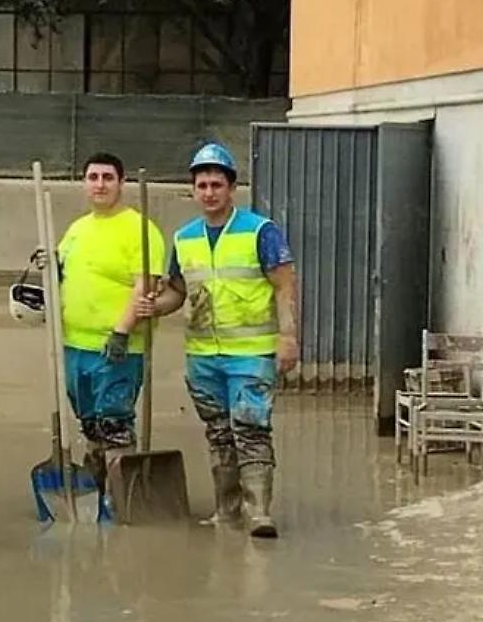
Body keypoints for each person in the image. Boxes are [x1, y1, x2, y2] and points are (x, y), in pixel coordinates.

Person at [136, 142, 298, 539]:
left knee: (251, 428)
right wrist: (155, 307)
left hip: (251, 353)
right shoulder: (185, 238)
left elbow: (285, 286)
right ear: (193, 189)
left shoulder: (260, 231)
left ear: (231, 188)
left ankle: (258, 512)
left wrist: (289, 337)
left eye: (217, 184)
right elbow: (178, 291)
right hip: (203, 356)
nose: (209, 192)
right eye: (202, 185)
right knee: (220, 433)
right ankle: (227, 512)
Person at [36, 152, 164, 492]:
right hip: (75, 346)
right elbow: (60, 272)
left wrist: (122, 331)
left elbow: (145, 284)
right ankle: (97, 486)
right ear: (84, 183)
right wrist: (46, 261)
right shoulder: (78, 229)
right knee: (90, 423)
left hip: (116, 346)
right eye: (93, 177)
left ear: (121, 183)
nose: (100, 184)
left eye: (108, 177)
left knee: (115, 422)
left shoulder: (139, 228)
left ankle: (123, 494)